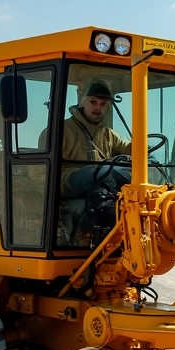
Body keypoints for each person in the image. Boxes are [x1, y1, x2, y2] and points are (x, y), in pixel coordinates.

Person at [57, 80, 132, 244]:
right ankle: (84, 234)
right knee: (107, 172)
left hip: (98, 178)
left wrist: (142, 148)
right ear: (82, 101)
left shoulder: (108, 134)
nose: (97, 108)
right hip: (67, 179)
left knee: (122, 173)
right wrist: (55, 187)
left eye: (103, 104)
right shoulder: (61, 131)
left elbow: (126, 149)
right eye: (93, 102)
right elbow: (39, 171)